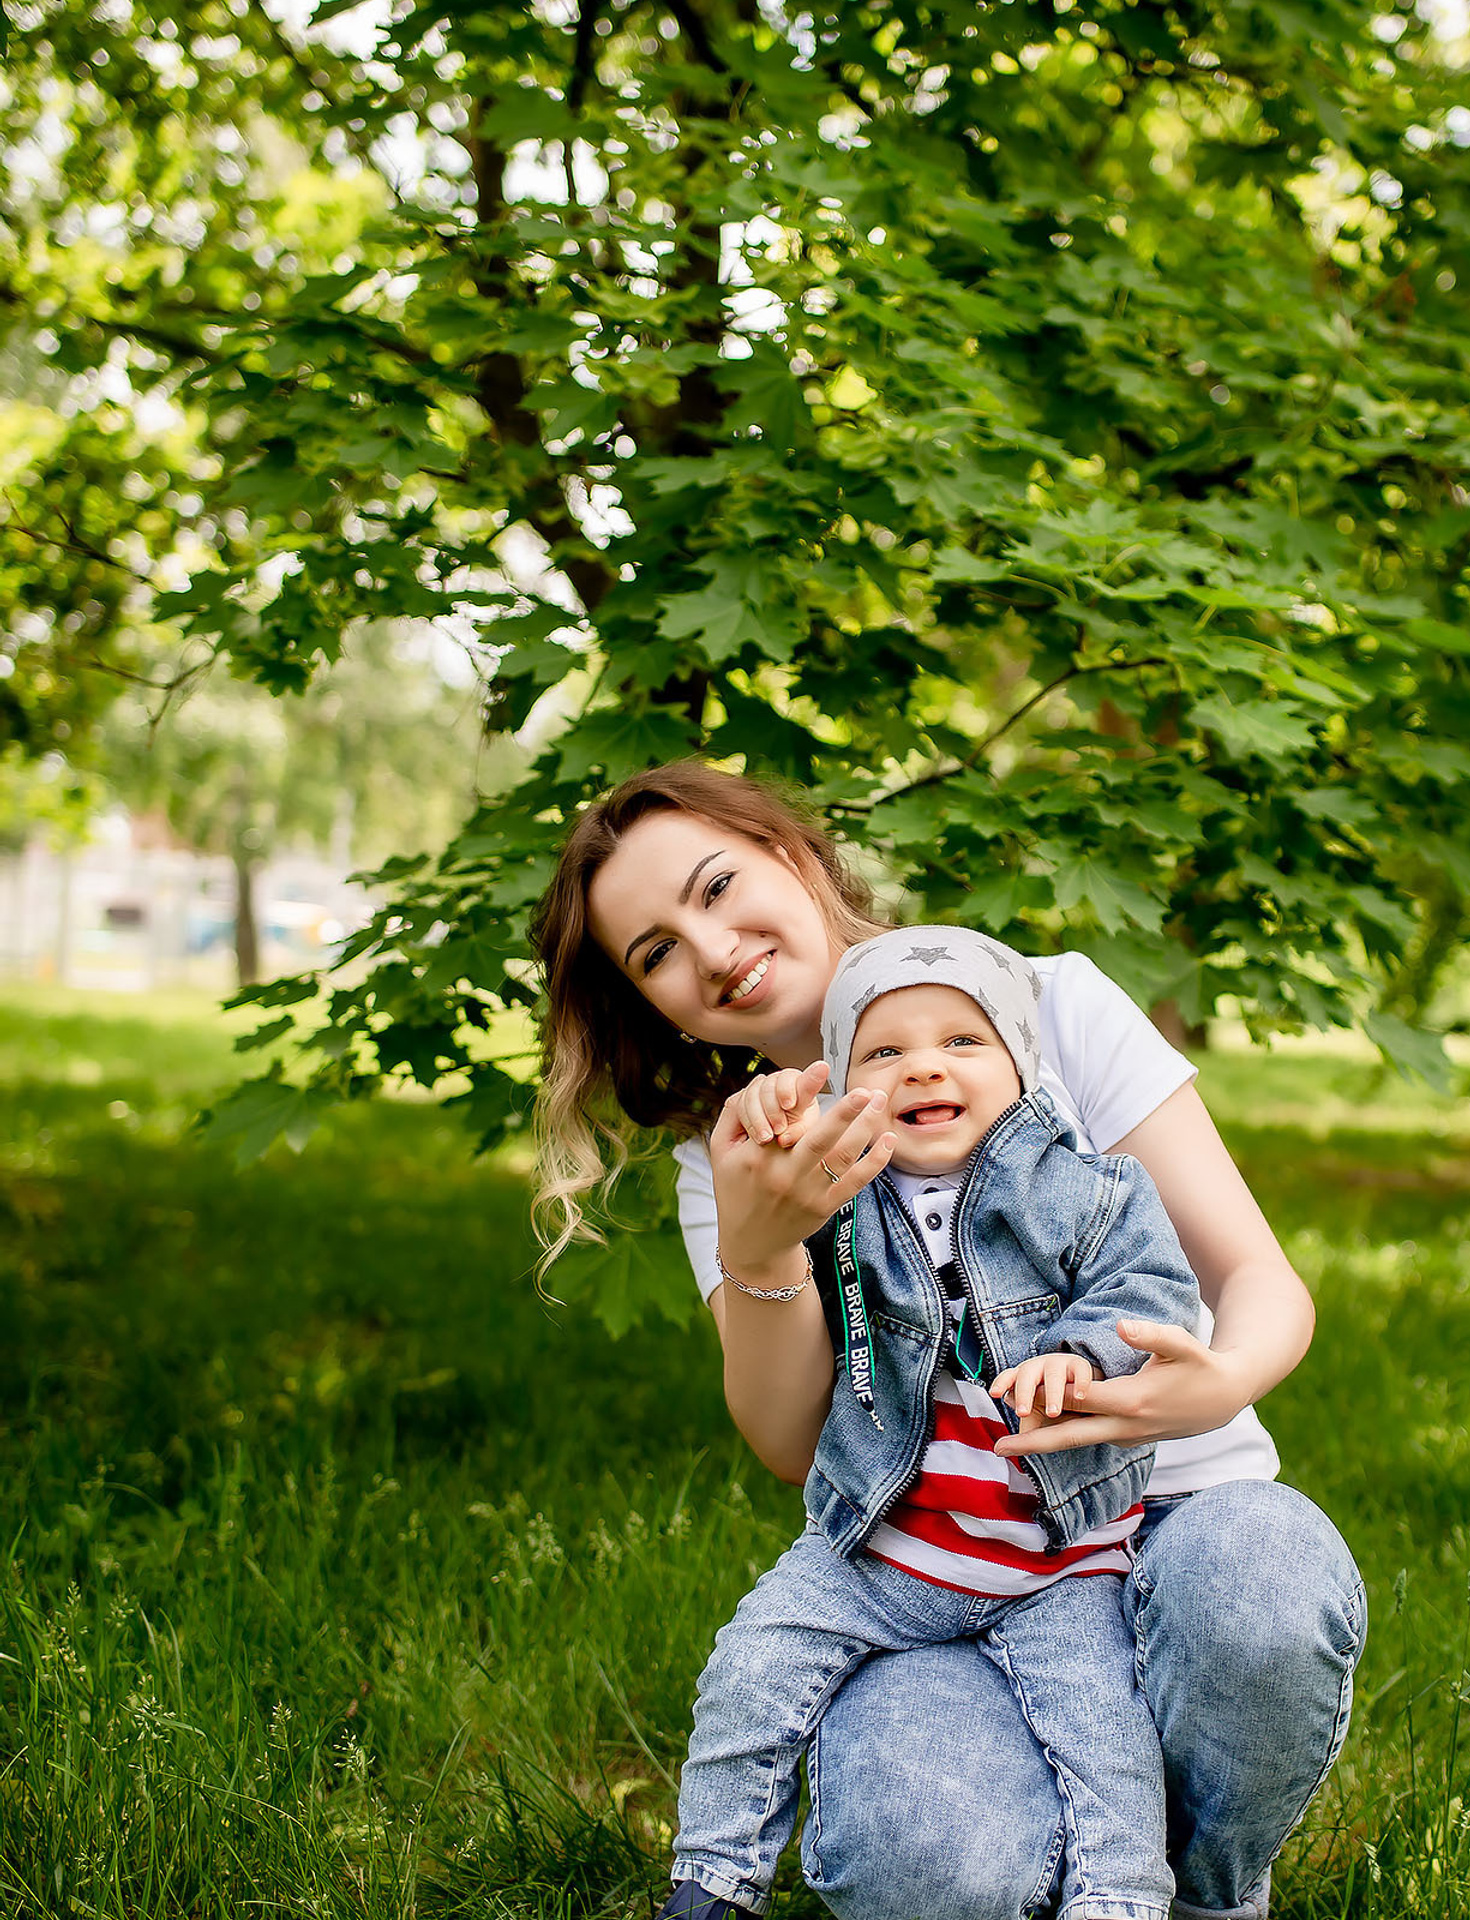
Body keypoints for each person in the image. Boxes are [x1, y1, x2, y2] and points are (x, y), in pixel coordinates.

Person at [533, 762, 1367, 1920]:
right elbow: (787, 1444)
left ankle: (1210, 1897)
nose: (712, 948)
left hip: (1173, 1516)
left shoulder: (1054, 1005)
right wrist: (768, 1247)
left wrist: (1215, 1385)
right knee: (915, 1865)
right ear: (654, 1005)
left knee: (1260, 1585)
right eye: (657, 951)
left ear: (798, 854)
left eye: (719, 886)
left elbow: (1257, 1279)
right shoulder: (727, 1165)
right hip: (937, 1574)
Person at [657, 925, 1200, 1920]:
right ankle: (712, 1881)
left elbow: (1154, 1289)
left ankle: (1120, 1903)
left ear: (1020, 1067)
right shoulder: (836, 1196)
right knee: (752, 1676)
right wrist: (777, 1129)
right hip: (883, 1548)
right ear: (843, 1085)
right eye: (883, 1051)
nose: (922, 1068)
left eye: (961, 1042)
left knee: (1106, 1755)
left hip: (1059, 1560)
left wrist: (1082, 1357)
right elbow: (783, 1266)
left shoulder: (1084, 1190)